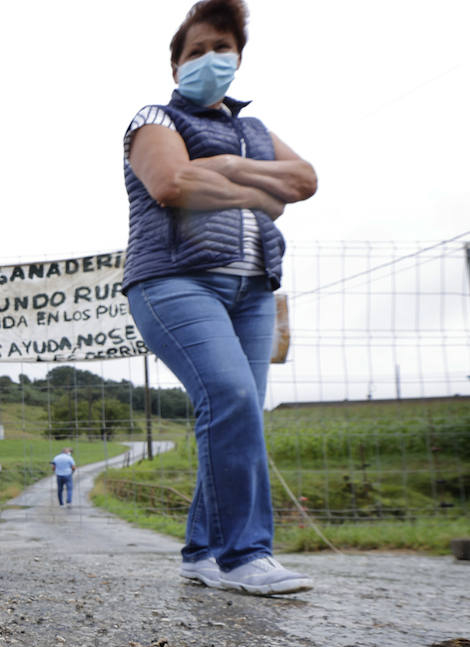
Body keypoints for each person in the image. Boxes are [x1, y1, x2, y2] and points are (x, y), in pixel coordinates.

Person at [122, 0, 317, 595]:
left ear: (239, 57)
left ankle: (203, 551)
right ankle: (245, 555)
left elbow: (304, 180)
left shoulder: (253, 130)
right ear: (176, 63)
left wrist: (227, 166)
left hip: (255, 288)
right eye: (197, 50)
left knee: (239, 414)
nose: (211, 59)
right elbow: (173, 183)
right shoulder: (153, 117)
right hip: (174, 281)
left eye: (221, 49)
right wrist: (259, 189)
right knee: (230, 396)